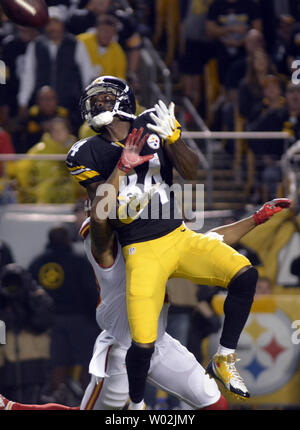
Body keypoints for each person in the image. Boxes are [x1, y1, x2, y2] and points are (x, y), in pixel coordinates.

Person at [66, 75, 291, 408]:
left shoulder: (150, 135)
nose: (98, 106)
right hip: (123, 342)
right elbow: (101, 215)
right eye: (95, 101)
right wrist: (123, 169)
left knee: (243, 276)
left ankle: (225, 356)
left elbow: (205, 226)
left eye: (105, 99)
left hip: (163, 331)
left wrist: (174, 138)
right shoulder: (98, 233)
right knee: (134, 366)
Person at [0, 181, 289, 411]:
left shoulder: (155, 237)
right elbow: (101, 225)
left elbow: (208, 242)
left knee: (215, 404)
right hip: (122, 349)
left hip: (159, 343)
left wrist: (256, 219)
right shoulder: (103, 242)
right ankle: (13, 407)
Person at [28, 224, 99, 403]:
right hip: (81, 321)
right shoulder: (80, 262)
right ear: (68, 239)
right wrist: (96, 318)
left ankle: (59, 400)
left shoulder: (37, 263)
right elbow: (92, 291)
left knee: (57, 363)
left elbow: (30, 294)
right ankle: (88, 399)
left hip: (51, 323)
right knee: (87, 362)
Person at [0, 264, 54, 403]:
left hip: (35, 368)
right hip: (7, 371)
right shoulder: (4, 303)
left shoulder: (37, 297)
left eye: (17, 282)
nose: (13, 286)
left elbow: (41, 323)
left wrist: (28, 300)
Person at [77, 14, 127, 80]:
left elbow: (120, 78)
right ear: (97, 29)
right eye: (104, 30)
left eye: (111, 32)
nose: (107, 34)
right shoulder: (82, 41)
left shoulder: (118, 51)